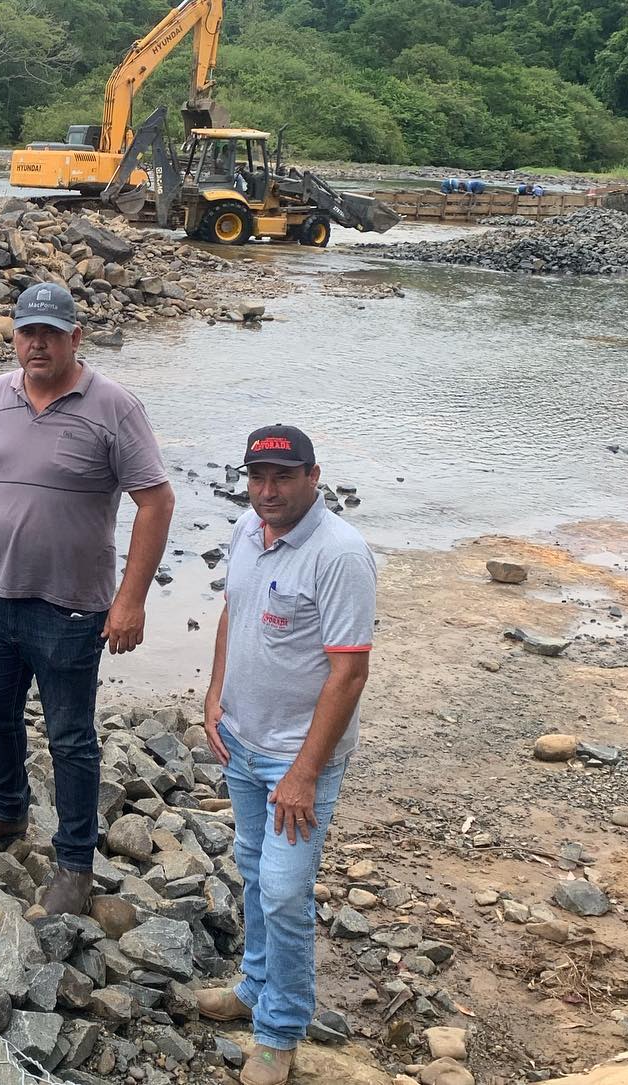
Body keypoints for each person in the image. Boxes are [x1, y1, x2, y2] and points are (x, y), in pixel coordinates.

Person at [0, 282, 174, 916]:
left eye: (50, 333)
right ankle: (7, 810)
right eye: (26, 332)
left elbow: (156, 500)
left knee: (70, 736)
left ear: (74, 338)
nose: (36, 343)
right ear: (14, 337)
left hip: (71, 608)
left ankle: (74, 861)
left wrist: (131, 599)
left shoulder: (114, 405)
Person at [196, 425, 375, 1085]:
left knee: (283, 889)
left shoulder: (340, 554)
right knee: (251, 868)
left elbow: (349, 673)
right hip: (241, 739)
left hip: (299, 759)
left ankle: (278, 1030)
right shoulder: (249, 527)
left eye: (282, 477)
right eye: (257, 477)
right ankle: (254, 985)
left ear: (313, 476)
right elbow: (233, 610)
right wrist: (214, 693)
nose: (267, 490)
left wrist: (303, 771)